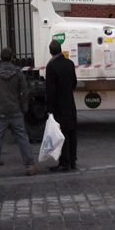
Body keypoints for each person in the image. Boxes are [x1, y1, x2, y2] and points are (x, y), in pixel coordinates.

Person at [0, 47, 40, 178]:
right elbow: (25, 91)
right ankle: (30, 165)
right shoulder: (18, 72)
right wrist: (24, 107)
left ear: (0, 58)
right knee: (22, 138)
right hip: (15, 110)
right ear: (12, 57)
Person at [45, 39, 78, 171]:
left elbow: (50, 89)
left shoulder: (51, 66)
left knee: (62, 133)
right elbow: (74, 82)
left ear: (50, 51)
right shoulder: (70, 63)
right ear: (60, 49)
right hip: (70, 102)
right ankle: (73, 160)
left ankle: (64, 162)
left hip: (58, 104)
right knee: (72, 132)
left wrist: (49, 108)